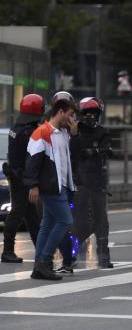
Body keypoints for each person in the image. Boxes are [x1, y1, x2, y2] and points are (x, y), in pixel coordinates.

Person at [23, 91, 77, 281]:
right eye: (70, 115)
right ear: (60, 112)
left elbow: (69, 158)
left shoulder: (63, 132)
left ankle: (39, 265)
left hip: (61, 185)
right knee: (65, 221)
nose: (72, 119)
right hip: (51, 187)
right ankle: (44, 260)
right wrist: (33, 185)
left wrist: (74, 133)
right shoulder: (43, 132)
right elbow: (32, 160)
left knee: (47, 224)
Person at [69, 97, 113, 268]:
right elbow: (73, 152)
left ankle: (104, 257)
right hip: (79, 180)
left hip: (97, 181)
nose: (91, 117)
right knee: (79, 220)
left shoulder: (102, 132)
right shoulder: (75, 129)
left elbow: (105, 150)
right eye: (88, 114)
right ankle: (72, 254)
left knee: (101, 220)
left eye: (94, 114)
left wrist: (95, 151)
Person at [2, 94, 44, 263]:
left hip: (16, 175)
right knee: (17, 213)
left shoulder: (16, 128)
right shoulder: (28, 132)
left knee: (32, 216)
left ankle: (41, 251)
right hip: (22, 179)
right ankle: (7, 251)